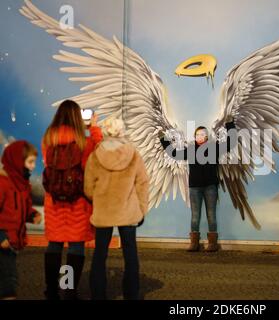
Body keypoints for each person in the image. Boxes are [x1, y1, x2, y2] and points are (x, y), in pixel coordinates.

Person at [42, 100, 102, 300]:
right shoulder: (84, 142)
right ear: (78, 117)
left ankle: (51, 291)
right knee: (75, 247)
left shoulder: (48, 139)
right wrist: (93, 128)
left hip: (54, 202)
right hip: (78, 202)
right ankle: (69, 290)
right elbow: (98, 155)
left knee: (55, 245)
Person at [85, 117, 149, 300]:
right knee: (130, 255)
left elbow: (88, 187)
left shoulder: (95, 156)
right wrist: (142, 208)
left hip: (103, 212)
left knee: (99, 255)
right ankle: (132, 294)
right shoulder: (133, 154)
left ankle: (98, 294)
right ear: (122, 131)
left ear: (105, 132)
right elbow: (142, 183)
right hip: (128, 212)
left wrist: (98, 200)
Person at [159, 117, 236, 252]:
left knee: (211, 215)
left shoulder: (214, 148)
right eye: (198, 134)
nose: (200, 136)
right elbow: (174, 153)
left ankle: (212, 244)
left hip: (210, 186)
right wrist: (163, 139)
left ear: (207, 136)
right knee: (195, 216)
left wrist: (230, 125)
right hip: (195, 187)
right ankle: (194, 243)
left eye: (203, 134)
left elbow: (230, 143)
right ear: (194, 136)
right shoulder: (190, 149)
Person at [0, 141, 42, 300]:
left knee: (10, 278)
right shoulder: (3, 183)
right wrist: (1, 237)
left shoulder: (22, 185)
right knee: (8, 282)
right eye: (30, 162)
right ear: (18, 161)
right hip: (3, 241)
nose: (32, 166)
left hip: (11, 241)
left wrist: (32, 215)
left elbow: (20, 208)